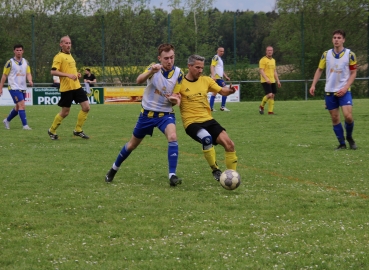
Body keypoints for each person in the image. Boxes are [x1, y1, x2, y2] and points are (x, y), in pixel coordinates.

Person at [105, 43, 184, 187]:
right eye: (166, 58)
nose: (169, 61)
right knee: (131, 145)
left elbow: (176, 96)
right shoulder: (153, 68)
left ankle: (172, 175)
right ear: (159, 58)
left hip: (165, 115)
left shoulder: (179, 73)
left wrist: (175, 99)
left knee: (173, 137)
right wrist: (151, 71)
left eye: (172, 57)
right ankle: (113, 169)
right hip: (146, 115)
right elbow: (139, 80)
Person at [179, 54, 237, 181]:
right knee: (206, 139)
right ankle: (215, 169)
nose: (200, 70)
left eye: (202, 68)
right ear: (189, 66)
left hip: (208, 120)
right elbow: (175, 99)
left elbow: (222, 91)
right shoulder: (180, 83)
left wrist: (230, 90)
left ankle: (231, 177)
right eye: (197, 67)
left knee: (230, 145)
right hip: (191, 123)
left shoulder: (206, 80)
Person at [309, 29, 357, 150]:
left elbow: (353, 73)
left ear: (343, 40)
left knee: (348, 117)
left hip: (344, 91)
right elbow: (319, 70)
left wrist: (346, 88)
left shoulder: (350, 55)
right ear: (332, 39)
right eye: (334, 37)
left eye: (339, 38)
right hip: (330, 91)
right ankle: (341, 144)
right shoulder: (326, 54)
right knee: (335, 118)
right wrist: (313, 84)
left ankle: (349, 137)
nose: (336, 40)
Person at [47, 36, 90, 140]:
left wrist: (76, 74)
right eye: (66, 43)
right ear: (61, 44)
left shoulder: (70, 55)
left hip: (76, 86)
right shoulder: (59, 56)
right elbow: (53, 71)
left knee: (86, 107)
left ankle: (78, 130)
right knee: (65, 112)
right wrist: (68, 75)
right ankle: (52, 130)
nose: (68, 45)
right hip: (67, 89)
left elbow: (71, 70)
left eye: (69, 43)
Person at [0, 44, 33, 130]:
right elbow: (4, 76)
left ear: (23, 51)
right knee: (22, 105)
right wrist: (0, 88)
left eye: (20, 50)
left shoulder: (26, 62)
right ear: (14, 51)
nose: (19, 52)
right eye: (17, 50)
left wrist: (30, 80)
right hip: (13, 87)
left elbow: (28, 73)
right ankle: (25, 125)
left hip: (23, 88)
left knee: (18, 107)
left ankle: (7, 120)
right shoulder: (9, 63)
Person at [258, 46, 281, 115]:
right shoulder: (263, 60)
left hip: (272, 80)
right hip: (265, 80)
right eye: (268, 50)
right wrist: (266, 78)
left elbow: (274, 71)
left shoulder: (273, 60)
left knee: (273, 95)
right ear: (266, 51)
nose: (270, 51)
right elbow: (261, 70)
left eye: (271, 50)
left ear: (273, 51)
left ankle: (270, 112)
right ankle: (261, 106)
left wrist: (278, 81)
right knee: (269, 94)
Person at [209, 47, 231, 112]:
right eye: (220, 51)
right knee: (226, 90)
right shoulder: (216, 57)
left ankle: (211, 108)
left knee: (214, 93)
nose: (222, 52)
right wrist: (213, 75)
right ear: (217, 51)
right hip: (217, 78)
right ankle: (223, 107)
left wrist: (226, 76)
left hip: (219, 78)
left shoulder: (220, 59)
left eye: (223, 51)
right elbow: (212, 66)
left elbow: (221, 70)